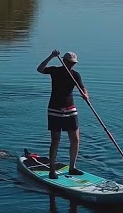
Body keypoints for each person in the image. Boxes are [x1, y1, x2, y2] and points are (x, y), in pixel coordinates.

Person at [36, 49, 88, 178]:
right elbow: (40, 69)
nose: (72, 65)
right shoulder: (55, 71)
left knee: (75, 139)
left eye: (73, 63)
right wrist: (51, 56)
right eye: (70, 62)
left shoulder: (75, 75)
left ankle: (72, 167)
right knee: (55, 140)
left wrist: (85, 95)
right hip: (55, 109)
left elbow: (82, 87)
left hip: (70, 109)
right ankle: (52, 170)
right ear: (64, 61)